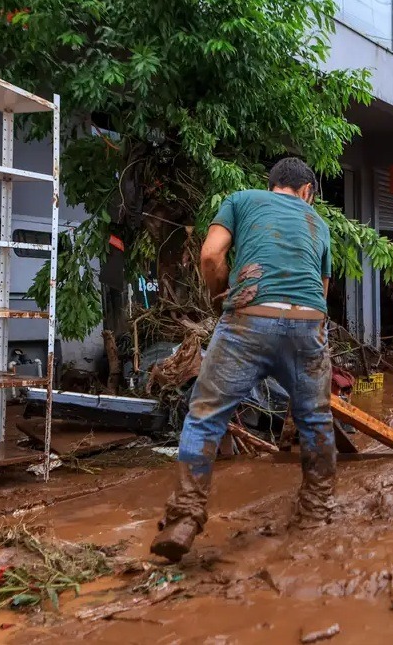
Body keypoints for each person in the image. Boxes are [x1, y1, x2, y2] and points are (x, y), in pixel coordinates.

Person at [150, 157, 335, 562]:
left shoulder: (240, 200)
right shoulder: (318, 224)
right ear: (307, 192)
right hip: (308, 324)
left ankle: (185, 518)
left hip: (249, 319)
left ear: (273, 185)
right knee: (315, 418)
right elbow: (321, 291)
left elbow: (210, 256)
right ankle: (315, 515)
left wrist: (221, 295)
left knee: (205, 416)